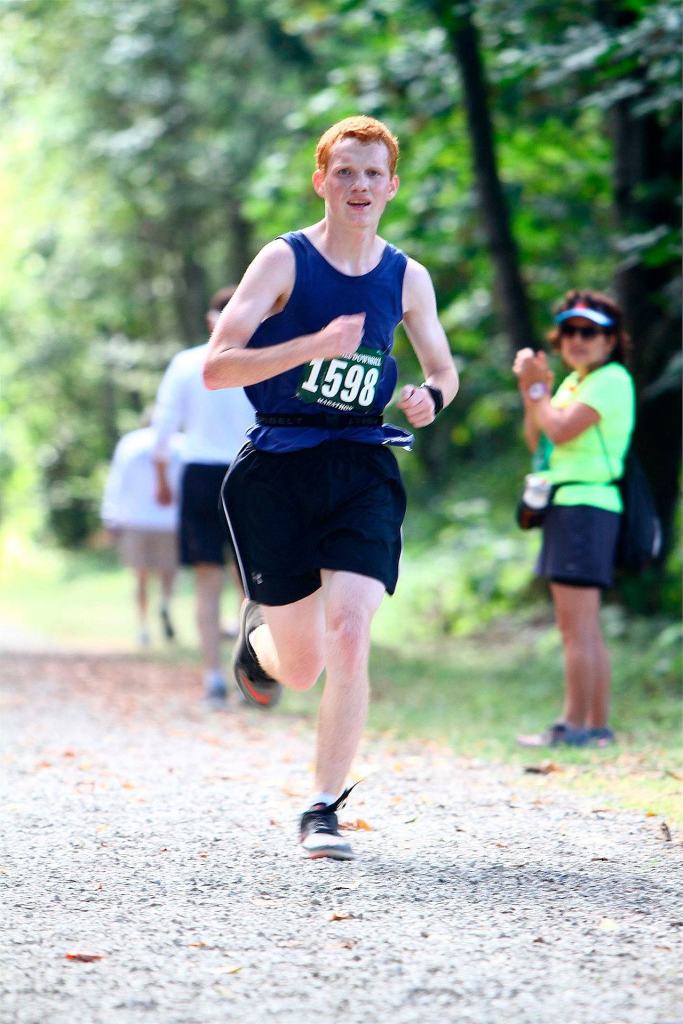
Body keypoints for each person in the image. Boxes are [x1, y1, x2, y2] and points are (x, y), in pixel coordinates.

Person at [203, 115, 459, 859]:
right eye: (344, 171)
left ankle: (322, 806)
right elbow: (218, 367)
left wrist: (428, 399)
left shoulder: (406, 276)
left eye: (372, 173)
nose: (359, 185)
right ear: (321, 180)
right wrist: (313, 344)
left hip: (361, 464)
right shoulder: (282, 262)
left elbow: (441, 370)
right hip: (277, 465)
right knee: (303, 663)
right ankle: (257, 646)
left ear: (392, 186)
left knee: (350, 631)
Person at [512, 290, 635, 748]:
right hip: (572, 506)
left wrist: (539, 390)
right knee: (581, 625)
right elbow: (538, 439)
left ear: (610, 340)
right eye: (569, 331)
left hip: (585, 507)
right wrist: (534, 392)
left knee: (576, 626)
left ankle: (575, 727)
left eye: (589, 332)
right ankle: (594, 726)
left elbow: (561, 429)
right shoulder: (573, 384)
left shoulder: (611, 379)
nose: (577, 340)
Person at [152, 286, 255, 704]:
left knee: (214, 581)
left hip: (208, 475)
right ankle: (239, 672)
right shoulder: (263, 361)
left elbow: (163, 427)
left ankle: (217, 674)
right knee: (246, 583)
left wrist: (162, 478)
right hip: (247, 473)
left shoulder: (186, 364)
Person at [101, 418, 184, 648]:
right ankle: (165, 604)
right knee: (168, 572)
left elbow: (117, 482)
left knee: (140, 577)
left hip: (135, 519)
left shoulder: (130, 443)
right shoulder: (180, 444)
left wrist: (110, 515)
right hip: (170, 520)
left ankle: (142, 627)